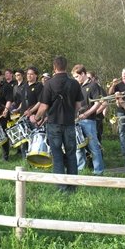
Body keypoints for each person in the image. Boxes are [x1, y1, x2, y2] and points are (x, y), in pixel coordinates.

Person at [35, 56, 83, 192]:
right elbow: (79, 105)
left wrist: (37, 117)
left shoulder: (49, 84)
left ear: (54, 67)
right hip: (69, 123)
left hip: (54, 123)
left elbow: (44, 106)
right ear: (66, 67)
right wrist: (72, 114)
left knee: (57, 155)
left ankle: (61, 188)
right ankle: (73, 187)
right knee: (71, 154)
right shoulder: (74, 84)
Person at [71, 64, 105, 175]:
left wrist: (86, 114)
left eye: (77, 76)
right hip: (77, 120)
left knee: (93, 146)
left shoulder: (94, 85)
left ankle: (98, 171)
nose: (76, 79)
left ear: (83, 74)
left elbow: (98, 103)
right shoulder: (77, 86)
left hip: (89, 120)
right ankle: (81, 169)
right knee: (78, 146)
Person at [108, 67, 125, 175]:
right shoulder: (118, 84)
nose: (124, 75)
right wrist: (113, 85)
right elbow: (110, 94)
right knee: (123, 134)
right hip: (120, 111)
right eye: (122, 73)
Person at [86, 71, 108, 143]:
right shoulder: (85, 87)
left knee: (96, 140)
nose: (88, 79)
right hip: (88, 118)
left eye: (89, 78)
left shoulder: (99, 88)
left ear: (93, 78)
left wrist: (95, 112)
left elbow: (105, 103)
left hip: (97, 118)